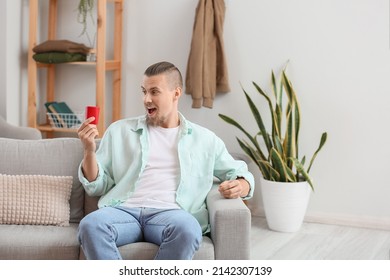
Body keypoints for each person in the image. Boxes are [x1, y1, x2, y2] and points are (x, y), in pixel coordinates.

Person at [77, 61, 255, 260]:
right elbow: (96, 186)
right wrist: (89, 151)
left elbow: (239, 172)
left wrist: (240, 185)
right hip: (124, 211)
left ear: (176, 93)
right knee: (90, 225)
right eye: (144, 91)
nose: (146, 99)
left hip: (171, 214)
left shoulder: (205, 140)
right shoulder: (119, 131)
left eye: (154, 92)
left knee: (188, 229)